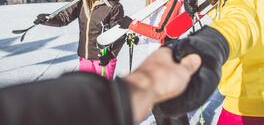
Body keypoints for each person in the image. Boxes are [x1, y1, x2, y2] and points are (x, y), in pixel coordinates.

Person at [0, 47, 202, 125]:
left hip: (166, 61)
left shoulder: (112, 6)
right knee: (158, 108)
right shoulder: (84, 6)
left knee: (170, 106)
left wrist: (113, 49)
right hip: (88, 56)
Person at [117, 0, 189, 124]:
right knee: (158, 107)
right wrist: (139, 38)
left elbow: (161, 33)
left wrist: (132, 25)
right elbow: (152, 30)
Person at [34, 0, 125, 80]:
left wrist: (111, 54)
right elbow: (64, 18)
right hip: (85, 57)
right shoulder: (81, 4)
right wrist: (47, 20)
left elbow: (119, 32)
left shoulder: (113, 6)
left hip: (103, 57)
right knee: (85, 91)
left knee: (102, 92)